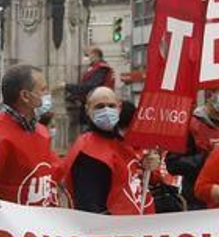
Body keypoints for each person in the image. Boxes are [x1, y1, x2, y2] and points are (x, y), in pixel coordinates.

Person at [0, 64, 58, 207]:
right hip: (0, 225)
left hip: (37, 224)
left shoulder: (42, 132)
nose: (47, 95)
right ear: (25, 96)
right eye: (43, 90)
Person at [58, 87, 158, 215]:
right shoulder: (87, 151)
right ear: (88, 110)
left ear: (119, 108)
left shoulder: (121, 142)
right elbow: (89, 207)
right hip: (114, 229)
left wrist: (147, 167)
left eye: (111, 106)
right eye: (99, 106)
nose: (106, 110)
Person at [168, 85, 219, 210]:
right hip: (199, 203)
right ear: (210, 95)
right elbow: (173, 164)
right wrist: (208, 157)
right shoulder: (190, 125)